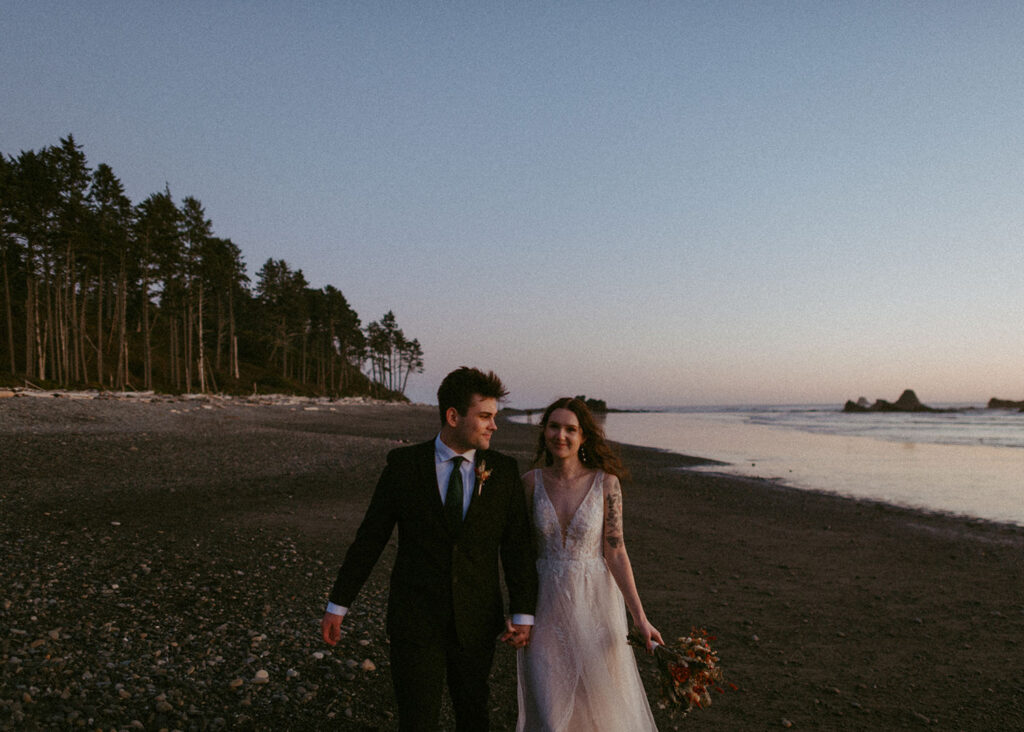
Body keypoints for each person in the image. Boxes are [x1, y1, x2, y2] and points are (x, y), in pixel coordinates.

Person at [321, 367, 538, 731]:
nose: (493, 426)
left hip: (476, 620)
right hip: (415, 618)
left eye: (494, 417)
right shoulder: (404, 466)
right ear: (453, 416)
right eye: (484, 416)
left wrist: (523, 613)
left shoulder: (502, 472)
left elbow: (517, 548)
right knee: (417, 719)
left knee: (474, 715)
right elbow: (370, 538)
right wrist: (338, 604)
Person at [517, 397, 662, 731]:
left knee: (600, 704)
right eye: (554, 426)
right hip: (545, 606)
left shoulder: (606, 483)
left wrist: (640, 618)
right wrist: (517, 612)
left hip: (597, 604)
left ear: (584, 436)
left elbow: (616, 551)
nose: (561, 435)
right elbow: (520, 554)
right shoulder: (529, 483)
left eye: (571, 429)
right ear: (544, 432)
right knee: (551, 707)